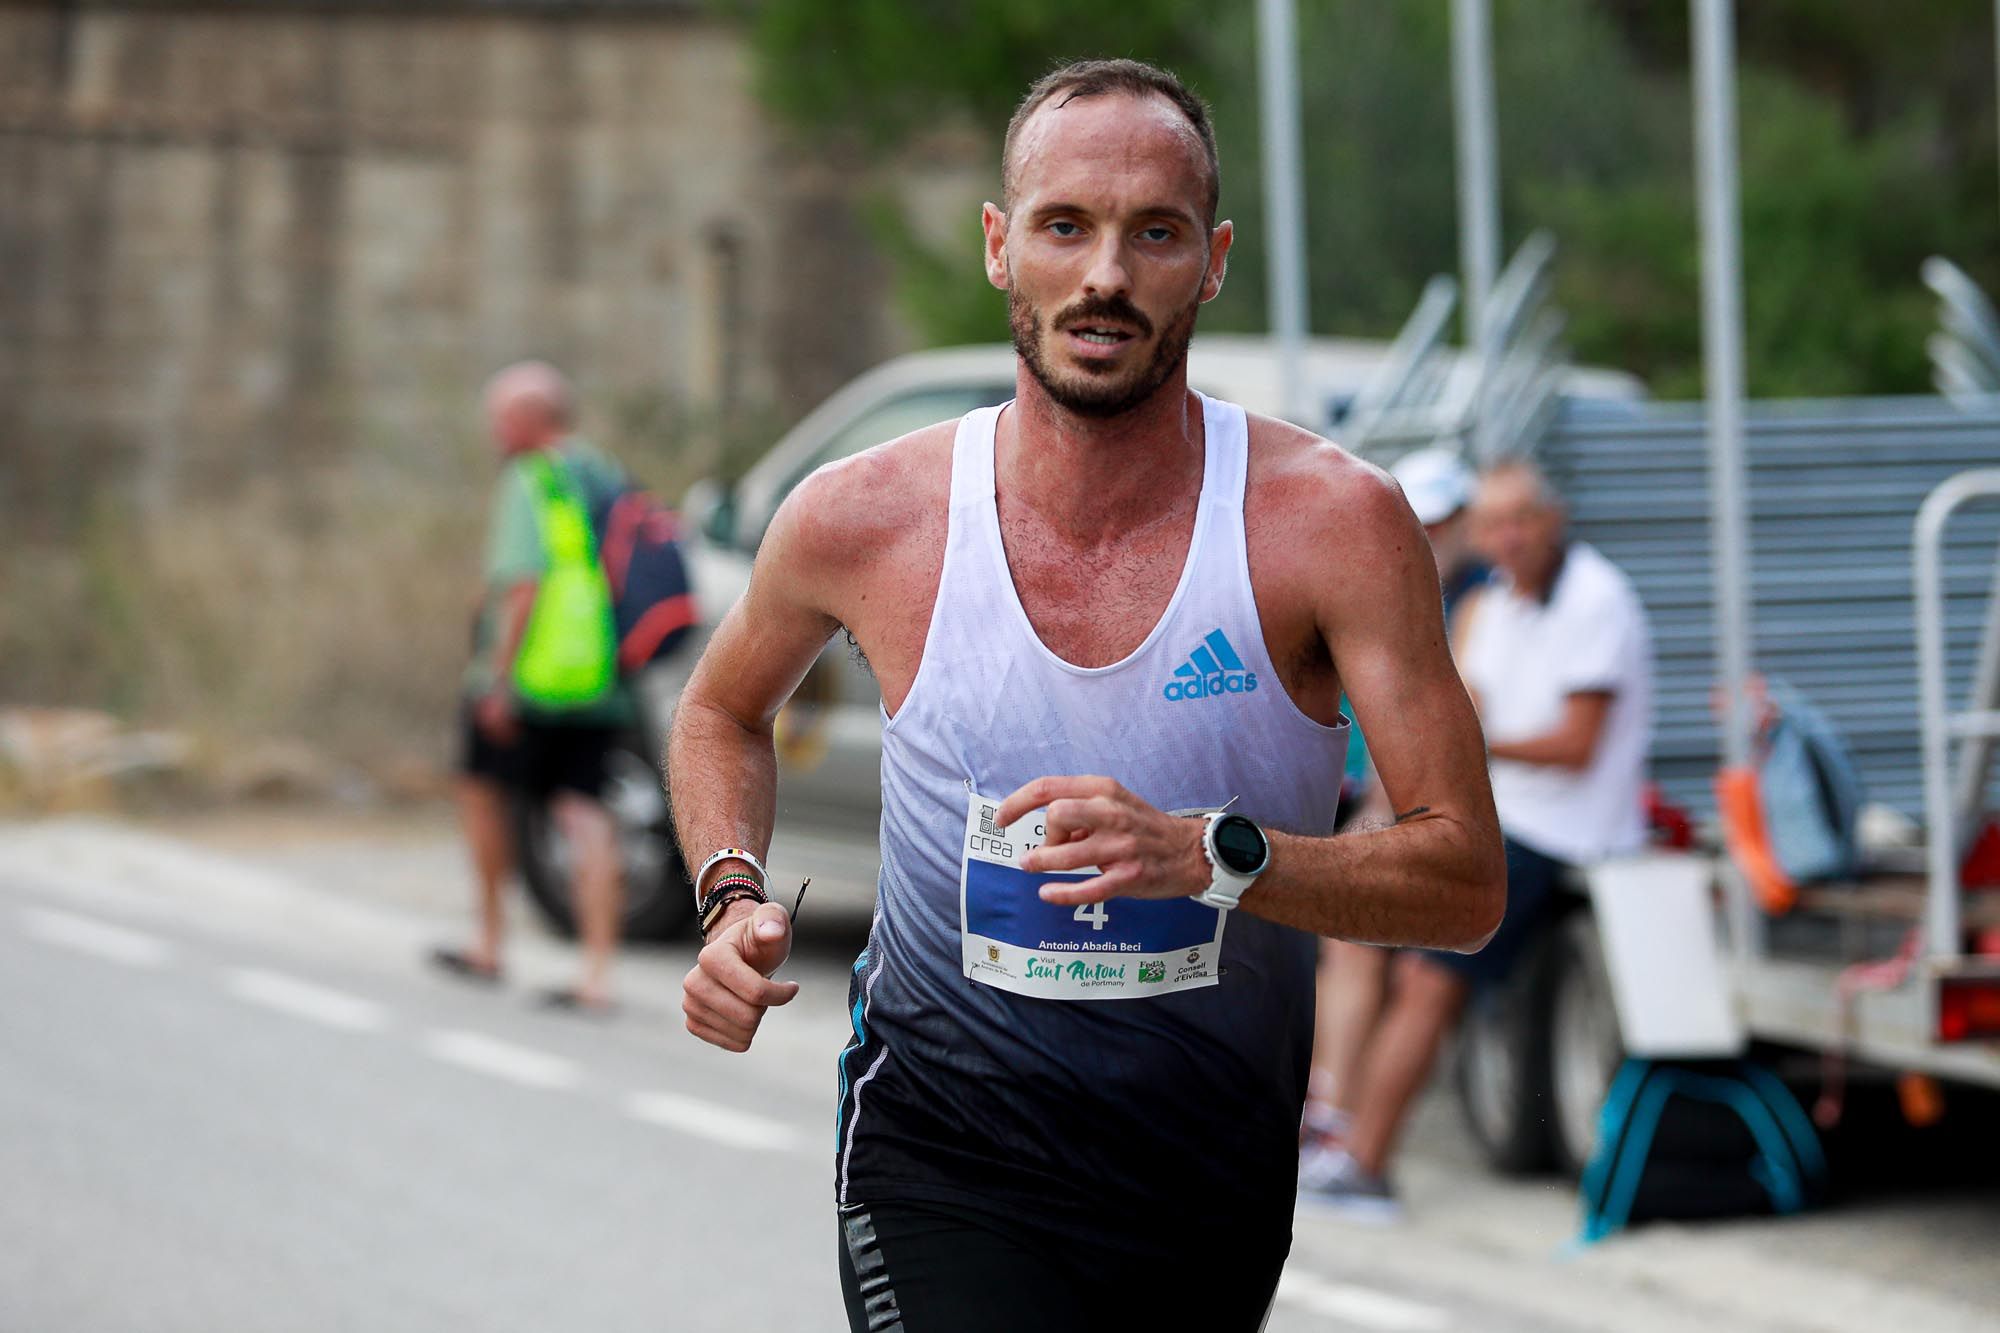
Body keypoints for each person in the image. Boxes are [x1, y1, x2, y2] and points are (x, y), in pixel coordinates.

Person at [669, 59, 1504, 1330]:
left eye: (1152, 233)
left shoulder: (1327, 526)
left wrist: (1205, 856)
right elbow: (719, 710)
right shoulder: (863, 517)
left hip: (1203, 1176)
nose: (1104, 275)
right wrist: (730, 894)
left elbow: (1461, 882)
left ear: (1211, 261)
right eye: (1066, 226)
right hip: (937, 1148)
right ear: (1002, 247)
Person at [1305, 457, 1653, 1218]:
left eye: (1520, 520)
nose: (1507, 537)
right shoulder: (1495, 601)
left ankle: (1365, 1163)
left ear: (1553, 518)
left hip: (1564, 828)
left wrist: (1473, 743)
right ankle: (1329, 1128)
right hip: (1502, 809)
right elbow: (1463, 710)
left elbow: (1575, 745)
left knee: (1429, 976)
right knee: (1352, 930)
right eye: (1495, 524)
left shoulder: (1596, 598)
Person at [1299, 447, 1488, 1182]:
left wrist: (1379, 823)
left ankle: (1339, 1123)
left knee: (1353, 938)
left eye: (1444, 520)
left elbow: (1448, 732)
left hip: (1445, 810)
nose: (1433, 534)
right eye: (1423, 520)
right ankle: (1327, 1112)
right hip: (1384, 796)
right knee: (1332, 935)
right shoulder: (1400, 580)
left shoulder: (1472, 600)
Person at [432, 360, 632, 1014]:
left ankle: (491, 941)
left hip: (531, 678)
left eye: (501, 415)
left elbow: (521, 583)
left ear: (532, 417)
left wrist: (496, 678)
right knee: (585, 812)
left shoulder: (528, 479)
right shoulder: (605, 475)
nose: (494, 428)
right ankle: (598, 970)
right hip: (601, 677)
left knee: (484, 791)